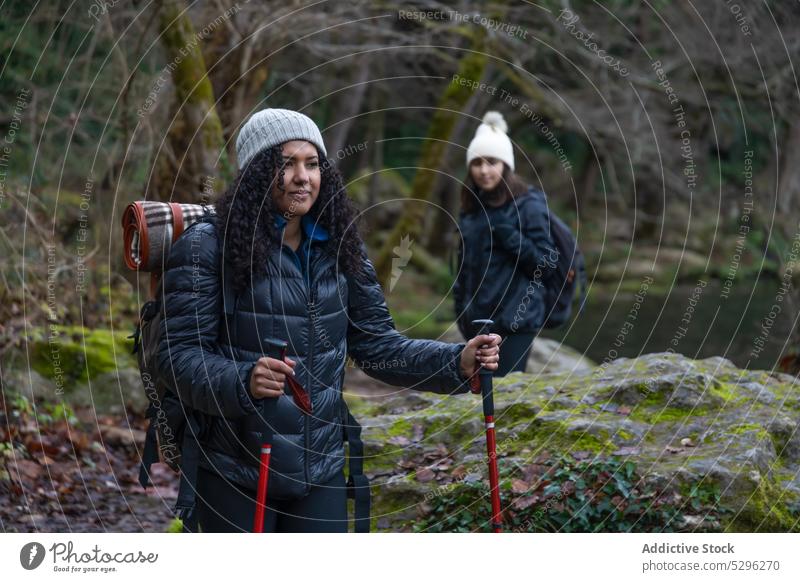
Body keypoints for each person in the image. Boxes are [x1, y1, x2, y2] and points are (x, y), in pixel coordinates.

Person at [157, 108, 501, 532]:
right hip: (234, 468)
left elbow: (377, 346)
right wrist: (243, 379)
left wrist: (456, 362)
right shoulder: (207, 247)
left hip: (319, 467)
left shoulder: (340, 249)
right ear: (254, 174)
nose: (303, 176)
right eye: (286, 164)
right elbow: (175, 356)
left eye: (313, 163)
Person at [453, 111, 554, 376]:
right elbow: (464, 266)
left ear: (505, 165)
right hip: (477, 321)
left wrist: (509, 235)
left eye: (492, 162)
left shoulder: (529, 204)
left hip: (515, 323)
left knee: (503, 395)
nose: (484, 170)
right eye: (477, 163)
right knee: (481, 394)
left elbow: (547, 264)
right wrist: (461, 309)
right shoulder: (471, 209)